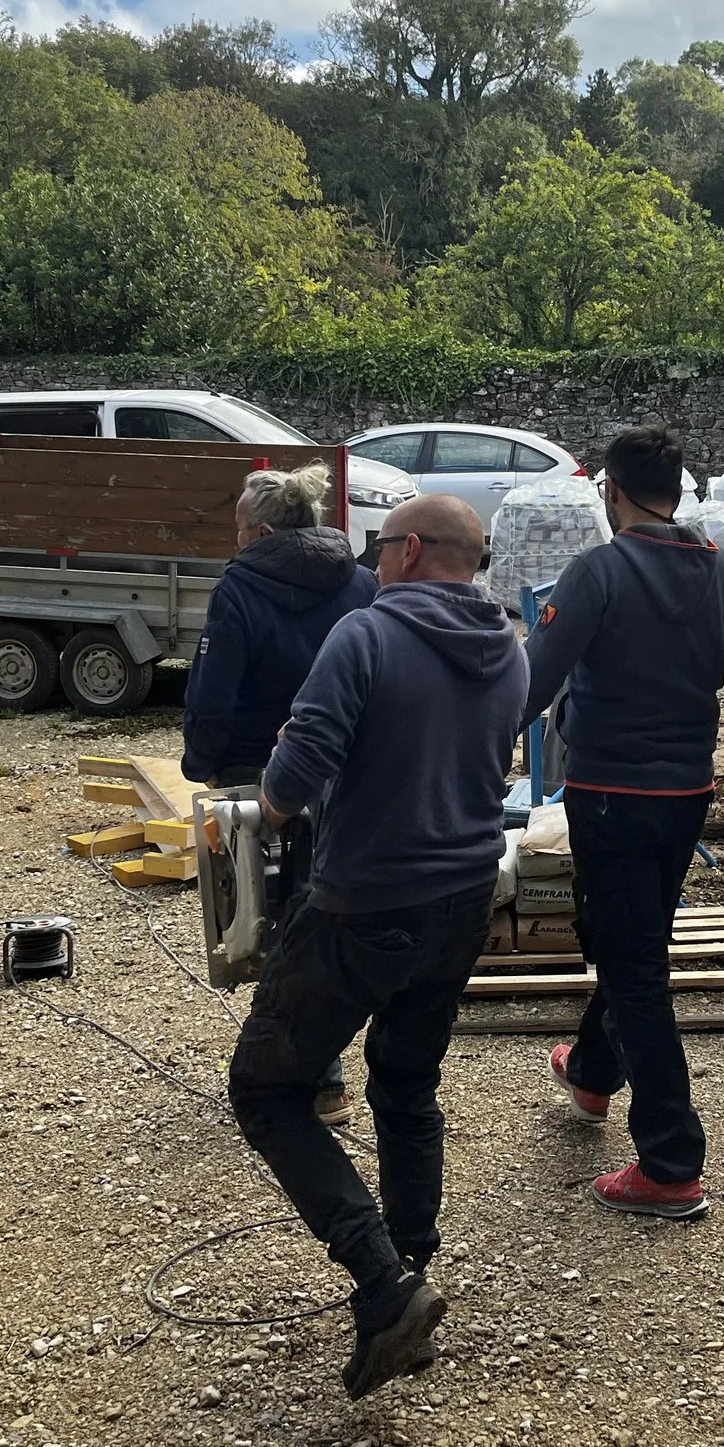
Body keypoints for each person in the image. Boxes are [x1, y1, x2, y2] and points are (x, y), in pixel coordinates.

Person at [227, 492, 527, 1398]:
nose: (375, 557)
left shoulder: (365, 634)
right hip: (465, 897)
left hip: (367, 902)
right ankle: (413, 1271)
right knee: (406, 1081)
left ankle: (385, 1280)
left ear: (407, 552)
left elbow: (300, 765)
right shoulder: (510, 652)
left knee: (268, 1088)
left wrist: (275, 798)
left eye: (381, 542)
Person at [522, 423, 724, 1221]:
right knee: (632, 938)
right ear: (679, 493)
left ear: (612, 491)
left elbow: (534, 683)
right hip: (685, 799)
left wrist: (463, 763)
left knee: (633, 962)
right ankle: (593, 1070)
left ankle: (671, 1162)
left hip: (607, 796)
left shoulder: (598, 571)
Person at [184, 462, 378, 1125]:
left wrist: (202, 761)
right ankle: (311, 1069)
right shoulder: (361, 580)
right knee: (320, 906)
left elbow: (214, 683)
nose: (233, 540)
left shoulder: (241, 584)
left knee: (260, 914)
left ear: (261, 530)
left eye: (237, 528)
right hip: (347, 766)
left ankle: (305, 1076)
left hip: (259, 764)